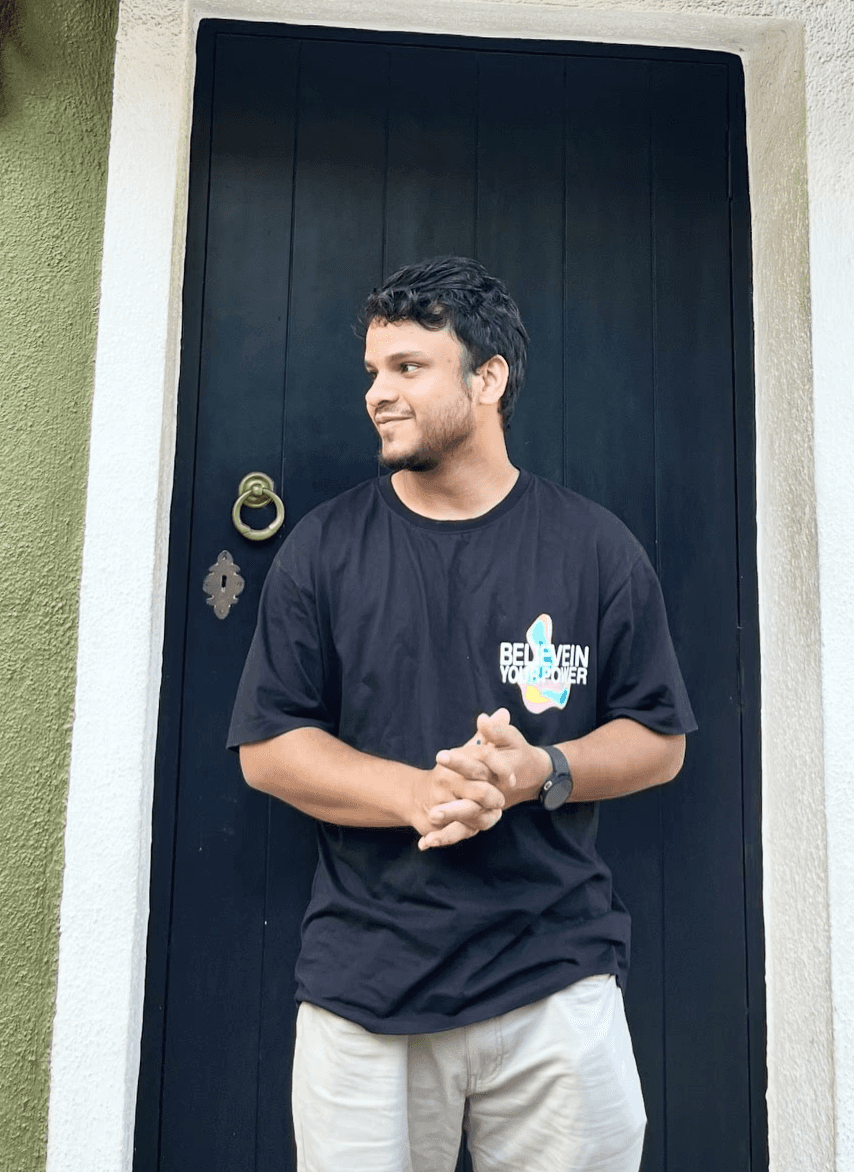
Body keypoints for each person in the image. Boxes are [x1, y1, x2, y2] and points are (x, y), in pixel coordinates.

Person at [228, 256, 696, 1172]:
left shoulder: (595, 549)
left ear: (489, 379)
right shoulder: (323, 549)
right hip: (364, 993)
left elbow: (660, 738)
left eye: (408, 368)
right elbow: (269, 748)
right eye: (372, 371)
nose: (378, 393)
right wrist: (418, 795)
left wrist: (540, 774)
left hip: (554, 980)